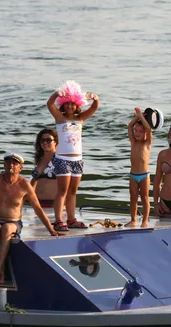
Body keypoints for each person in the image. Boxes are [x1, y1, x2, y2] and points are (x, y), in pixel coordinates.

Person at [0, 153, 63, 284]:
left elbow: (37, 208)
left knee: (7, 228)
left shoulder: (24, 184)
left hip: (14, 222)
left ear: (20, 168)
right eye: (8, 162)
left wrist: (51, 230)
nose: (11, 165)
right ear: (4, 165)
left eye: (15, 163)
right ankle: (1, 271)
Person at [46, 80, 100, 232]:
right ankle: (58, 220)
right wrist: (56, 94)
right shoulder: (59, 117)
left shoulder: (80, 118)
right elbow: (50, 104)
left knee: (73, 191)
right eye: (67, 103)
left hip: (77, 160)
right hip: (63, 158)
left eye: (73, 104)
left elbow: (95, 107)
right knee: (62, 190)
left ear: (77, 104)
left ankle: (71, 219)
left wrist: (94, 97)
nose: (70, 106)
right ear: (63, 104)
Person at [125, 107, 153, 228]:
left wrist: (142, 117)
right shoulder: (133, 142)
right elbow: (129, 126)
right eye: (136, 131)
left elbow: (148, 128)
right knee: (133, 198)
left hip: (144, 175)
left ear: (145, 134)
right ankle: (133, 219)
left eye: (140, 131)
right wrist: (137, 116)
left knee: (145, 198)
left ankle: (145, 220)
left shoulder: (147, 143)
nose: (137, 133)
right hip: (133, 175)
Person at [30, 128, 58, 208]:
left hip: (54, 204)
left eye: (48, 140)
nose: (45, 143)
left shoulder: (60, 159)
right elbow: (33, 181)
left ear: (55, 142)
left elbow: (67, 185)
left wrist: (60, 203)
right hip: (36, 203)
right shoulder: (40, 159)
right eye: (42, 140)